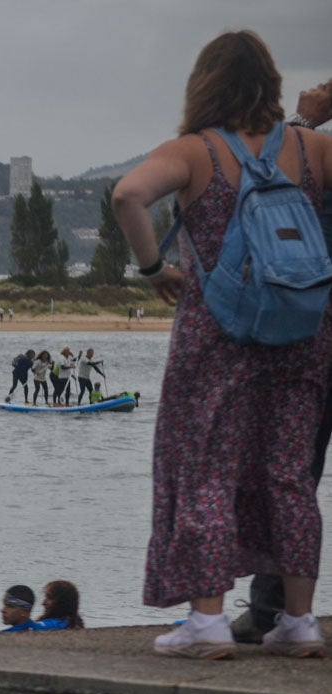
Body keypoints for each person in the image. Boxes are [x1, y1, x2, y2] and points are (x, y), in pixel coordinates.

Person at [111, 31, 332, 660]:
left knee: (206, 471)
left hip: (218, 339)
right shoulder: (313, 147)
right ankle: (299, 623)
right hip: (304, 335)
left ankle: (206, 621)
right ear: (271, 81)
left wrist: (153, 268)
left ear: (204, 84)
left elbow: (128, 193)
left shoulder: (195, 152)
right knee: (289, 476)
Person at [235, 77, 332, 647]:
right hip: (312, 326)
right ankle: (273, 607)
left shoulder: (308, 150)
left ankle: (271, 609)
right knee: (293, 470)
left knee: (290, 468)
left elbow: (268, 182)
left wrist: (304, 124)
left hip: (310, 327)